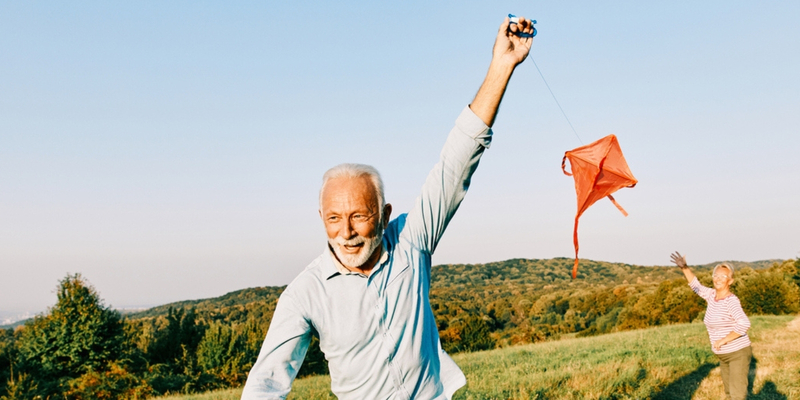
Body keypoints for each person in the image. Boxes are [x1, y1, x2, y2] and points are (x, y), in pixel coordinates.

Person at [241, 16, 535, 400]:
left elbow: (456, 163)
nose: (345, 232)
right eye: (333, 219)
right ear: (321, 219)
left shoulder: (411, 243)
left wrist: (501, 66)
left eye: (358, 216)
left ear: (383, 214)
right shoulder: (305, 294)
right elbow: (265, 383)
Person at [670, 252, 752, 400]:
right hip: (724, 356)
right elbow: (696, 286)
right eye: (716, 275)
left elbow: (744, 323)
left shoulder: (731, 301)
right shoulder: (711, 295)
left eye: (723, 276)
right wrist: (684, 268)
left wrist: (723, 340)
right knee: (729, 394)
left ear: (730, 281)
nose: (718, 279)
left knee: (737, 396)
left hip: (737, 353)